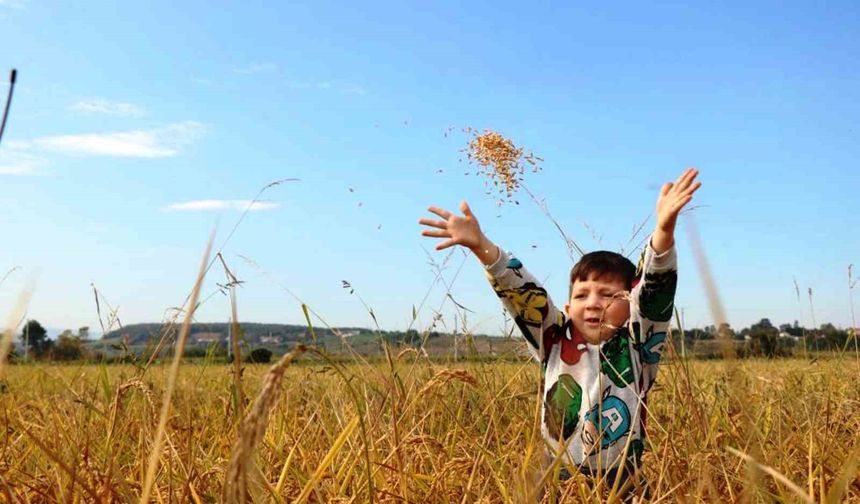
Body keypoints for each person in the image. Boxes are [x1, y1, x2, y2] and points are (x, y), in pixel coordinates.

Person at [419, 168, 701, 500]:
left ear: (630, 303)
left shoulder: (638, 345)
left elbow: (655, 292)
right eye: (582, 296)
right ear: (567, 307)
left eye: (609, 295)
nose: (593, 304)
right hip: (556, 473)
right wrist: (483, 248)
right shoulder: (552, 338)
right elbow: (522, 294)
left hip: (623, 477)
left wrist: (663, 232)